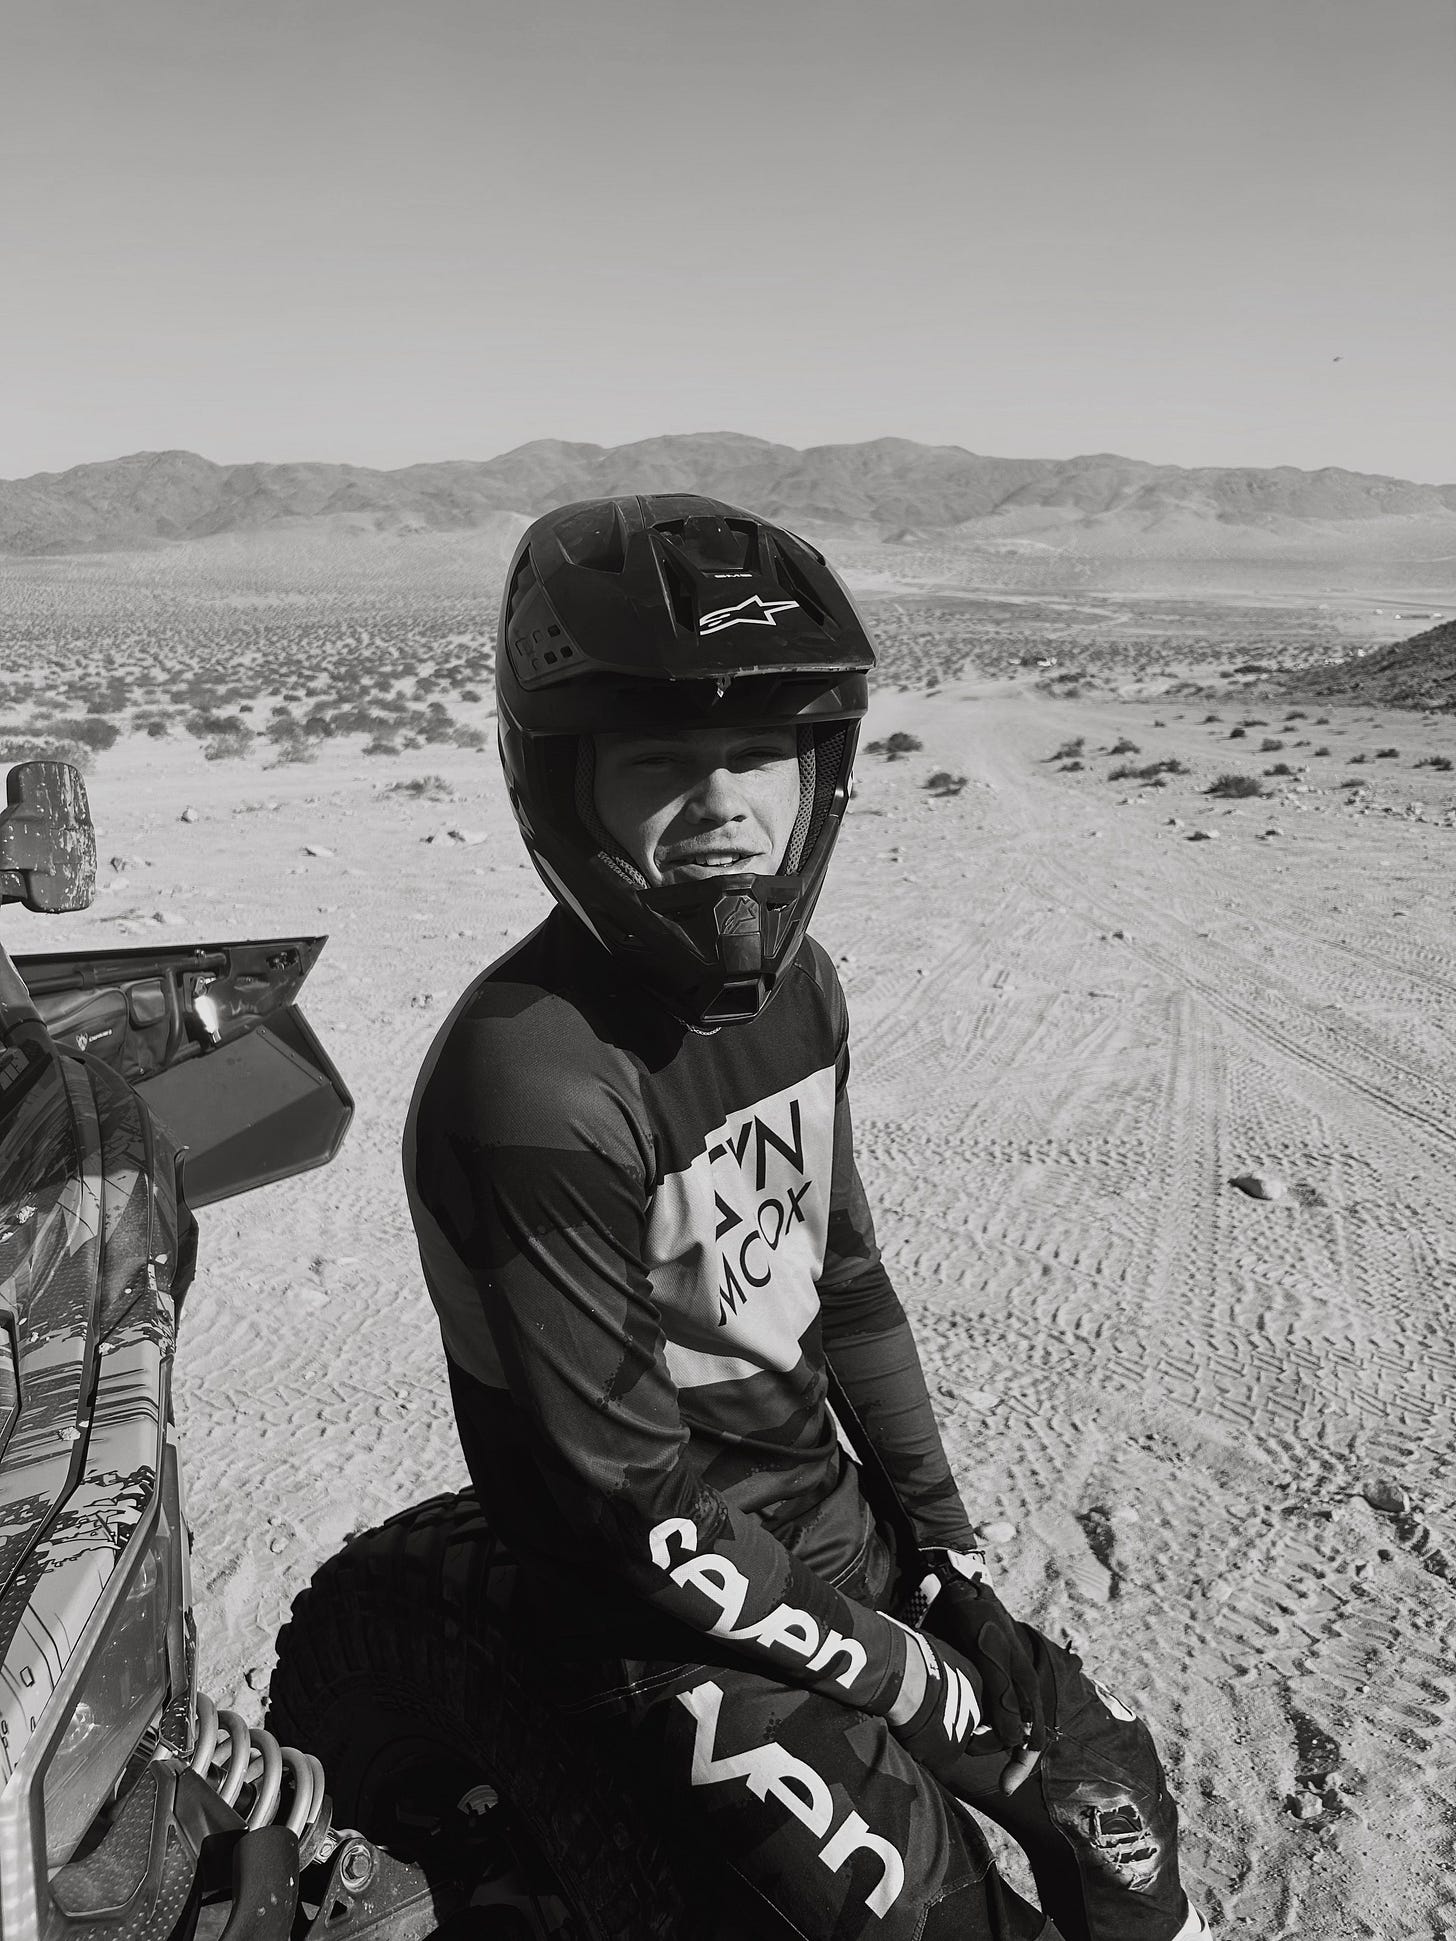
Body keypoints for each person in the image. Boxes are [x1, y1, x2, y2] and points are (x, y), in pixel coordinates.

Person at [403, 495, 1209, 1941]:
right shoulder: (532, 1077)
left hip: (821, 1535)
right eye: (660, 761)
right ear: (566, 784)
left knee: (1114, 1817)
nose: (725, 806)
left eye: (760, 756)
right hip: (666, 1623)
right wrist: (912, 1678)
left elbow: (845, 1285)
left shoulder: (802, 987)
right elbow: (643, 1516)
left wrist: (950, 1559)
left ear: (818, 772)